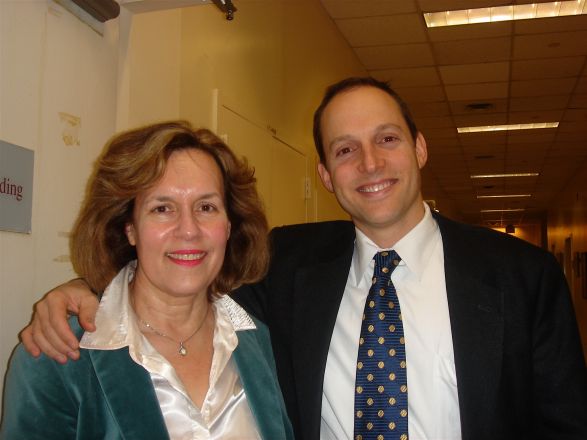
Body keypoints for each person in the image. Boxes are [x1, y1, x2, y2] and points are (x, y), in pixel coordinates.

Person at [17, 78, 587, 440]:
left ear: (419, 147)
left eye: (387, 139)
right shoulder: (289, 267)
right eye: (345, 149)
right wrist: (84, 290)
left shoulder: (523, 277)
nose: (369, 163)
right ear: (325, 175)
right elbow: (178, 274)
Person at [0, 121, 293, 439]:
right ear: (130, 228)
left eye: (206, 207)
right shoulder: (56, 358)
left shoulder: (256, 340)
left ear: (229, 226)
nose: (189, 230)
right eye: (162, 208)